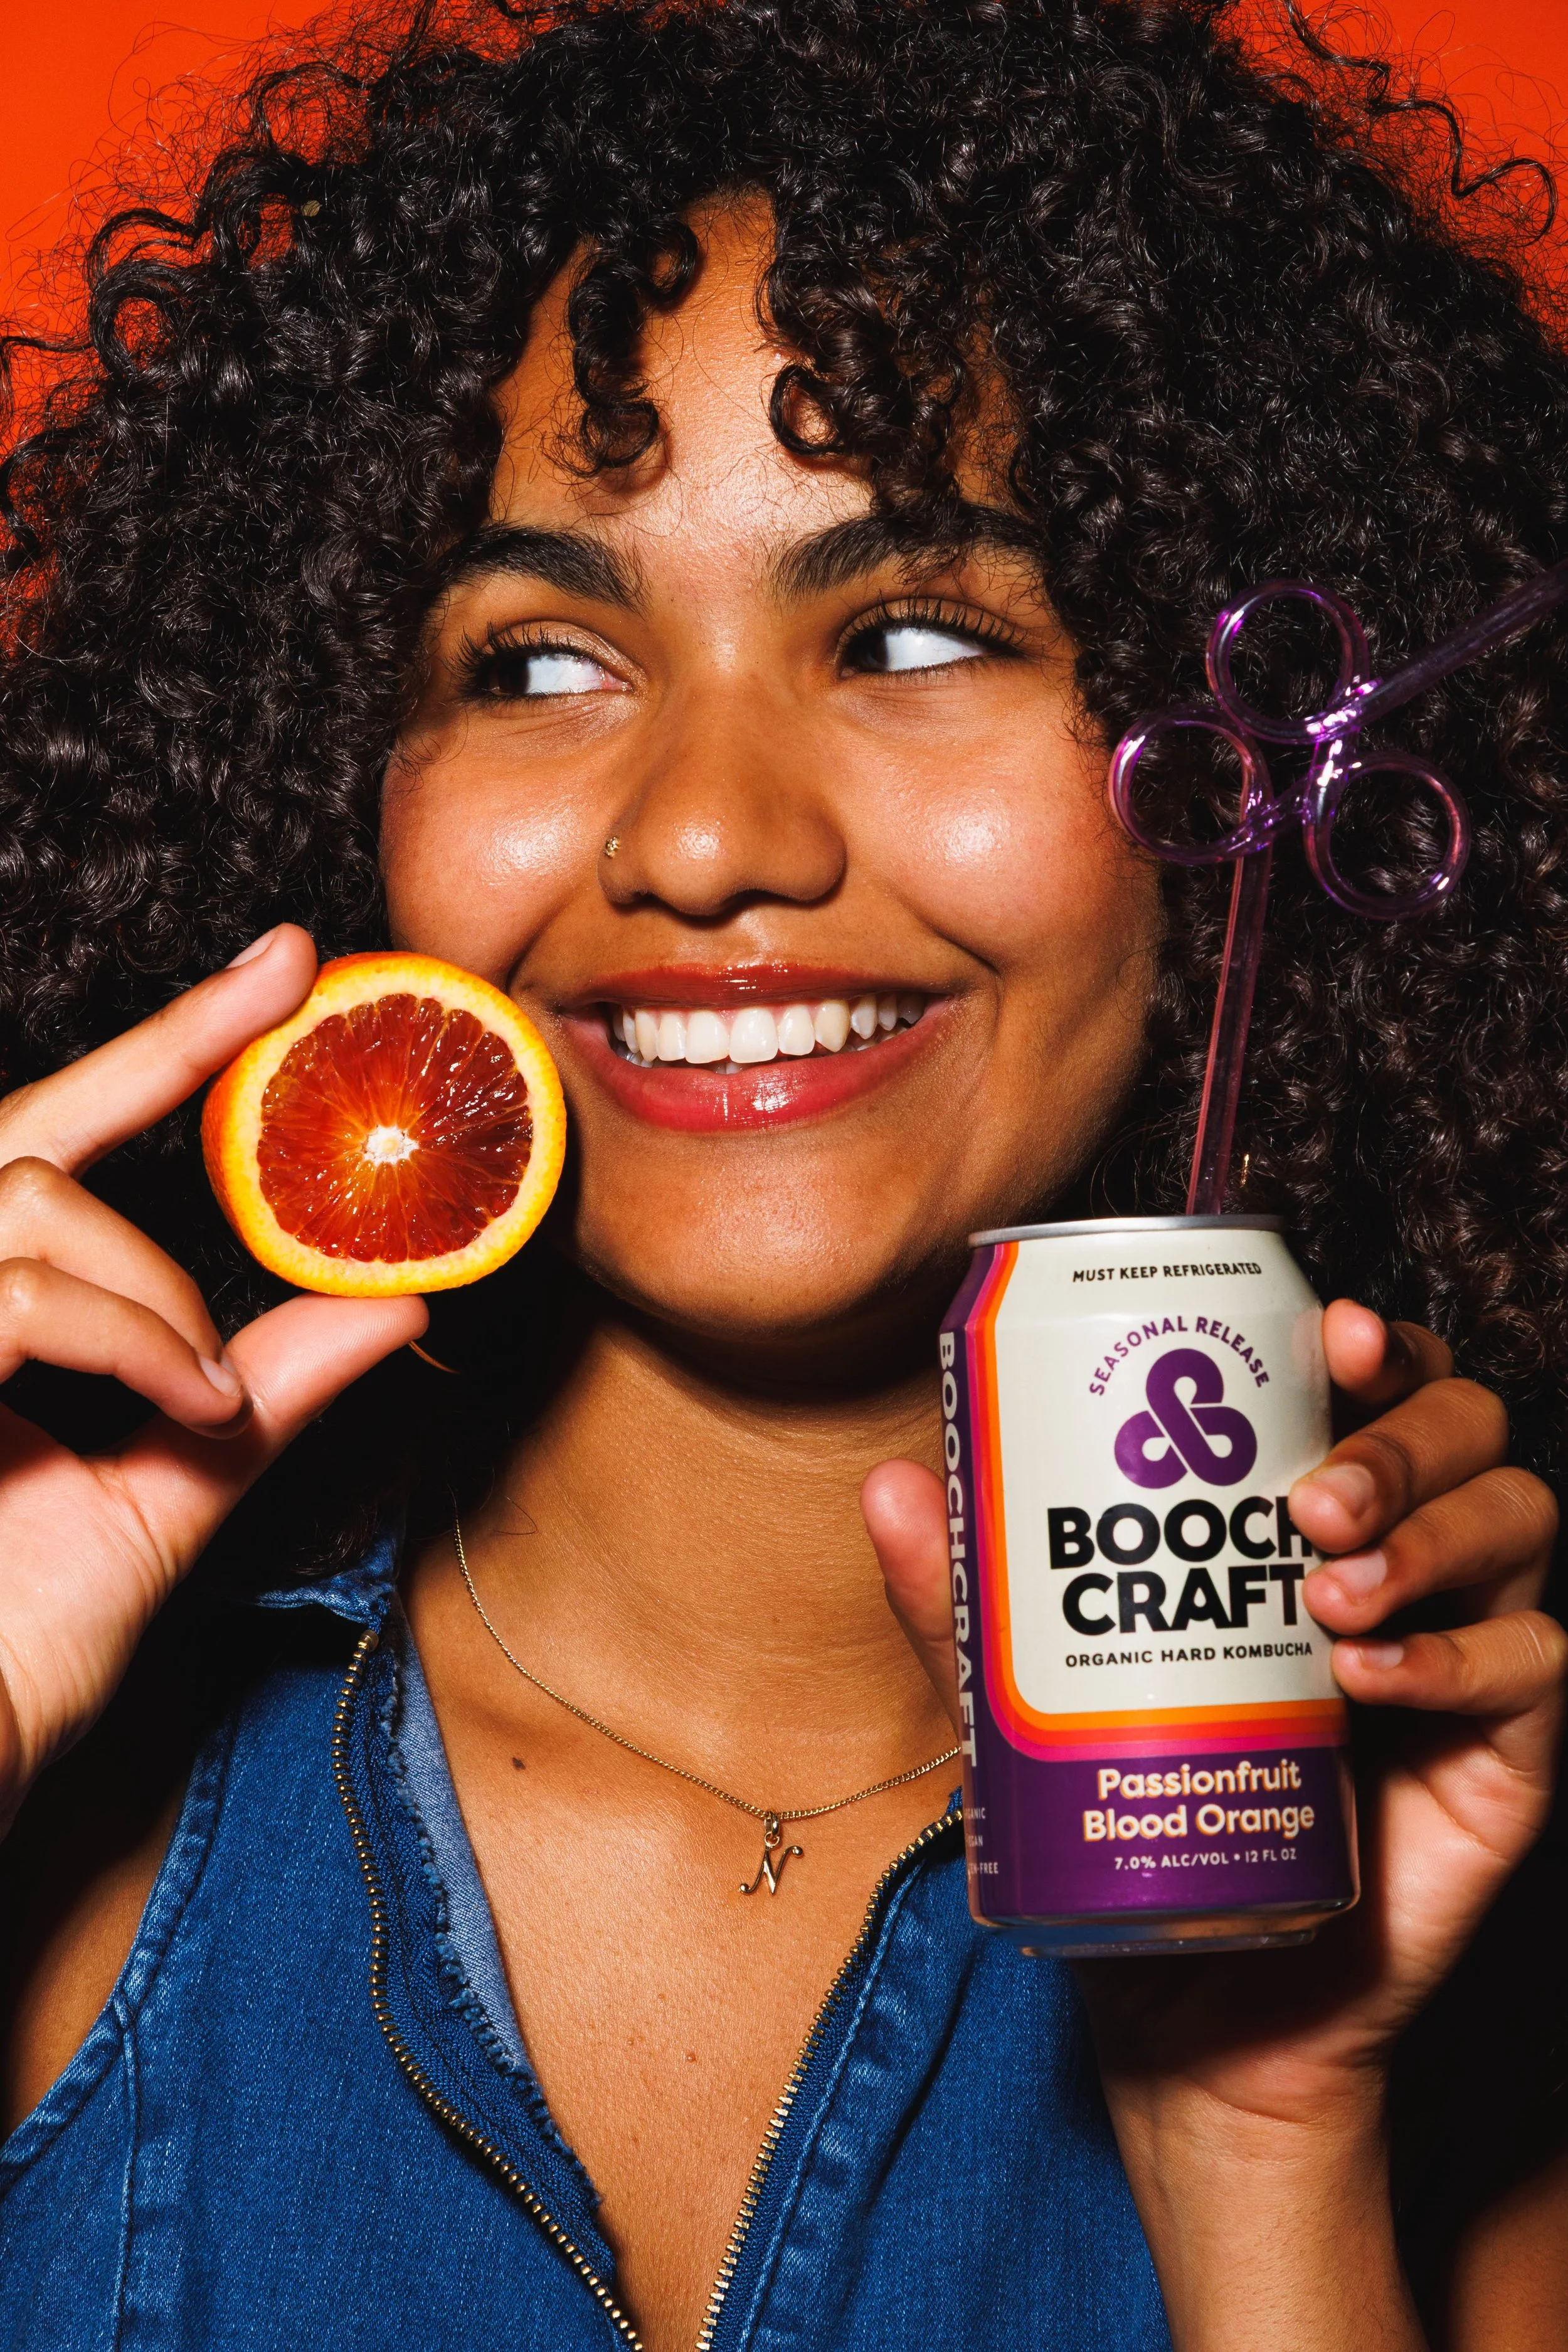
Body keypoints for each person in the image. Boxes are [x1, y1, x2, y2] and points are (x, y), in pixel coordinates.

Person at [0, 0, 1564, 2343]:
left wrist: (1258, 2134)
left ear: (1219, 782)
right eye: (534, 664)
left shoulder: (1461, 1950)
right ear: (337, 766)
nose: (714, 838)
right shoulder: (71, 1807)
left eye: (917, 632)